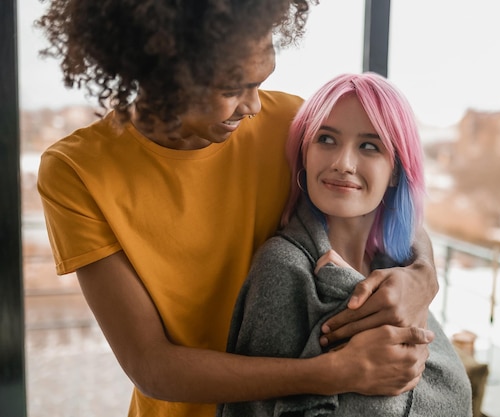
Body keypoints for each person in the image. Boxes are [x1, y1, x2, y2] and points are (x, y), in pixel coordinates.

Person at [35, 2, 440, 416]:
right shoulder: (76, 171)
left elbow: (383, 200)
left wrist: (423, 276)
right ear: (160, 72)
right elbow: (150, 364)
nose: (253, 106)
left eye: (260, 82)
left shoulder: (289, 122)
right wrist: (333, 373)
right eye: (231, 89)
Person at [217, 72, 472, 417]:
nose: (343, 163)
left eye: (369, 146)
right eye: (326, 139)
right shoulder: (284, 269)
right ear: (304, 153)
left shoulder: (398, 269)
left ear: (395, 170)